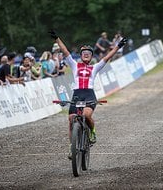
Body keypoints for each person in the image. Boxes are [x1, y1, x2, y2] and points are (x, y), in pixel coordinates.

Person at [48, 30, 127, 158]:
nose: (86, 55)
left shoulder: (95, 67)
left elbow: (107, 57)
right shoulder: (74, 65)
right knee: (71, 118)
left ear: (91, 57)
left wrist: (118, 46)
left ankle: (92, 132)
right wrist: (57, 38)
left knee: (86, 114)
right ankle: (72, 146)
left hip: (89, 94)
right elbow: (65, 51)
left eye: (88, 54)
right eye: (83, 53)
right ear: (80, 55)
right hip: (77, 94)